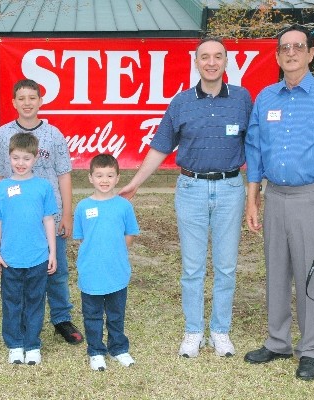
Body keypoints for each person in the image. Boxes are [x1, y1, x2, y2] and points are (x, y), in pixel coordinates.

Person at [119, 37, 252, 358]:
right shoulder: (181, 103)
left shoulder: (242, 99)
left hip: (231, 189)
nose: (211, 62)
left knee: (226, 267)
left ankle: (220, 331)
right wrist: (135, 183)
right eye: (204, 57)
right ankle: (193, 331)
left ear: (225, 61)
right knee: (192, 268)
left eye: (217, 57)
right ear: (196, 62)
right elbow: (161, 146)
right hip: (190, 190)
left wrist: (255, 193)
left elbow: (257, 147)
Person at [243, 24, 314, 381]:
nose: (290, 52)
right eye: (284, 48)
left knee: (311, 277)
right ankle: (278, 342)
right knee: (276, 273)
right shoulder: (265, 98)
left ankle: (310, 351)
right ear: (278, 57)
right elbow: (255, 150)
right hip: (275, 197)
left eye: (298, 46)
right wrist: (253, 199)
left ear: (310, 53)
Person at [0, 78, 84, 345]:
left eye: (33, 97)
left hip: (48, 217)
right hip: (17, 219)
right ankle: (20, 322)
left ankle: (61, 318)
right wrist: (1, 215)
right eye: (22, 98)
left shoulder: (53, 135)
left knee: (56, 269)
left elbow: (63, 175)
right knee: (18, 270)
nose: (27, 103)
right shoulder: (3, 134)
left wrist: (66, 214)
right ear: (13, 103)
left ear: (41, 101)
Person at [0, 132, 57, 365]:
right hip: (10, 259)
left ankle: (32, 344)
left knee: (35, 301)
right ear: (9, 157)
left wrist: (52, 253)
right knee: (12, 302)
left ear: (36, 158)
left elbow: (49, 220)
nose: (20, 163)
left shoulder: (43, 187)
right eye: (16, 158)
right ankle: (15, 344)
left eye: (26, 158)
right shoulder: (2, 187)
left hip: (38, 257)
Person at [73, 154, 140, 371]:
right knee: (92, 315)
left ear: (117, 178)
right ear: (90, 177)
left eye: (110, 175)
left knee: (116, 315)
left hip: (116, 272)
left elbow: (129, 234)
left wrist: (115, 253)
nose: (104, 180)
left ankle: (118, 348)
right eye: (99, 175)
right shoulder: (83, 207)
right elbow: (83, 237)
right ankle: (96, 351)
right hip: (91, 272)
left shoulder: (124, 206)